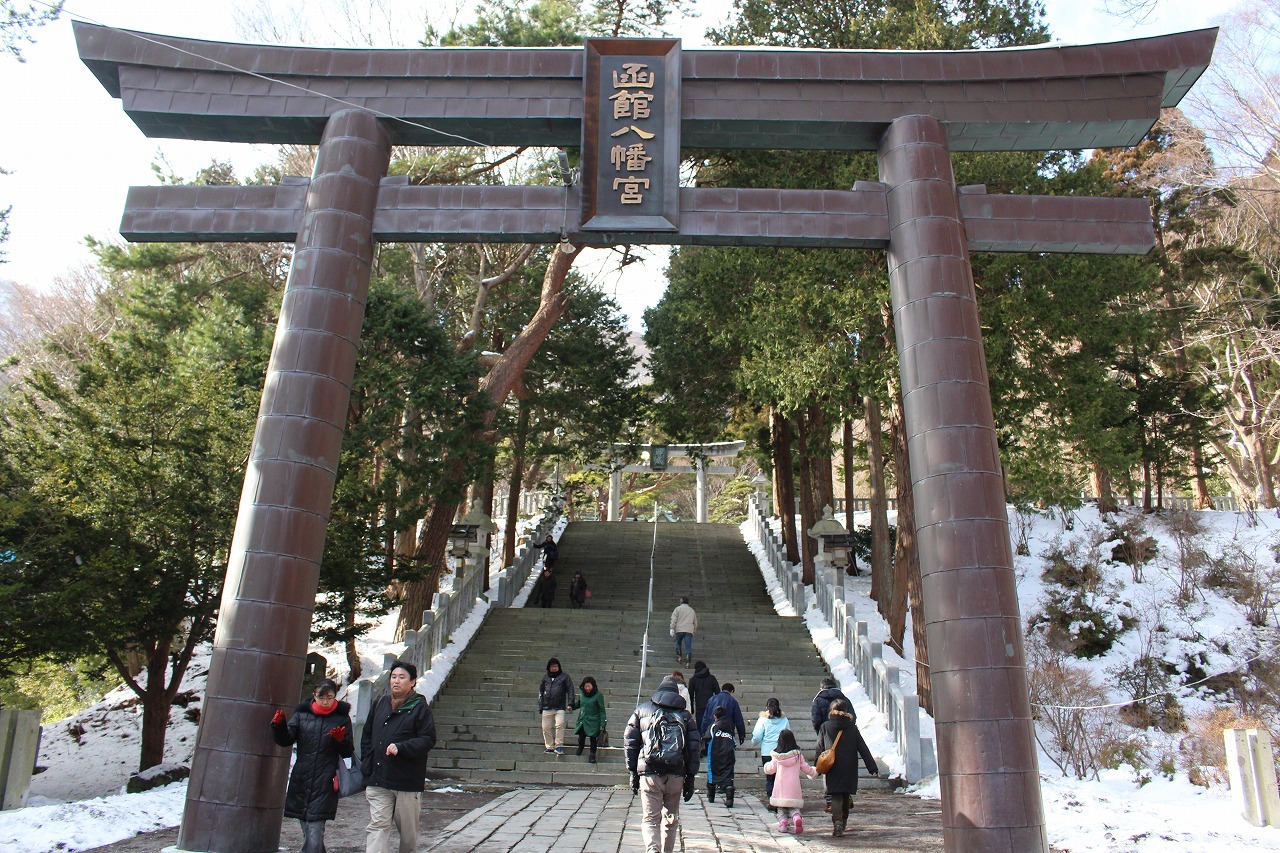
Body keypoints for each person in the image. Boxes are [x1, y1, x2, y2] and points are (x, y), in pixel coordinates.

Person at [361, 661, 437, 853]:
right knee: (377, 825)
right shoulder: (380, 703)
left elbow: (428, 739)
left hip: (406, 780)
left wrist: (402, 747)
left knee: (407, 833)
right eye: (393, 677)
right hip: (379, 777)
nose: (396, 681)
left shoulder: (419, 708)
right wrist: (368, 762)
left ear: (413, 682)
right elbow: (367, 735)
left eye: (402, 677)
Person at [270, 679, 353, 853]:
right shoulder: (302, 715)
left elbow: (347, 751)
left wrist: (340, 740)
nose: (325, 701)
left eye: (330, 697)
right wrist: (279, 726)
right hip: (302, 778)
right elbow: (286, 740)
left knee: (315, 831)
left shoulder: (342, 718)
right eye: (321, 697)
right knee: (308, 831)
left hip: (325, 781)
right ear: (314, 696)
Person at [623, 675, 702, 853]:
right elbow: (694, 748)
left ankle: (653, 850)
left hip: (650, 772)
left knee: (650, 819)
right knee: (671, 820)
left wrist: (633, 772)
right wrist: (690, 777)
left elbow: (630, 743)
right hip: (676, 774)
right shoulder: (685, 716)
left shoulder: (642, 710)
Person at [815, 698, 879, 837]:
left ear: (831, 711)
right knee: (845, 794)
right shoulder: (852, 727)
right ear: (845, 711)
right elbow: (863, 748)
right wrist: (872, 767)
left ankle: (837, 823)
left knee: (836, 794)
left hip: (832, 766)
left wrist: (817, 766)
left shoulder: (825, 726)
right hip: (849, 766)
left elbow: (819, 747)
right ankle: (843, 822)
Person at [765, 729, 818, 834]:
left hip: (780, 788)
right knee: (794, 807)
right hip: (794, 787)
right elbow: (806, 768)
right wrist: (813, 772)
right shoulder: (798, 756)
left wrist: (766, 767)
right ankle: (796, 817)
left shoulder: (777, 757)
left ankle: (783, 824)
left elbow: (770, 769)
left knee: (781, 809)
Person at [810, 675, 850, 812]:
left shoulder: (818, 700)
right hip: (844, 739)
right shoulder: (844, 699)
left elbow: (815, 720)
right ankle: (846, 795)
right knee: (844, 769)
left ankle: (830, 800)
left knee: (826, 767)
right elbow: (853, 718)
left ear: (821, 688)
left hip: (826, 738)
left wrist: (822, 733)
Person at [751, 697, 790, 807]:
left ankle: (772, 800)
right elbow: (788, 734)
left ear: (767, 707)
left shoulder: (763, 720)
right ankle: (781, 798)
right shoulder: (784, 719)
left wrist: (753, 742)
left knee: (770, 776)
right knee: (781, 776)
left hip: (767, 752)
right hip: (782, 751)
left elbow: (757, 735)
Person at [538, 657, 574, 754]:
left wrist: (571, 703)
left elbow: (570, 689)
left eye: (556, 666)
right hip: (547, 706)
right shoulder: (545, 678)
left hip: (560, 706)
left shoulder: (565, 677)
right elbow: (541, 691)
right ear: (548, 668)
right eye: (552, 666)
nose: (554, 668)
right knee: (545, 727)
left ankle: (559, 746)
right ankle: (549, 746)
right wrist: (540, 705)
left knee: (559, 725)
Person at [706, 705, 736, 807]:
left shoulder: (714, 727)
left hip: (715, 755)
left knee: (712, 775)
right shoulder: (730, 727)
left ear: (715, 717)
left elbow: (707, 738)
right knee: (728, 775)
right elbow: (733, 741)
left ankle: (711, 796)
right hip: (728, 755)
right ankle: (729, 798)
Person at [574, 675, 606, 763]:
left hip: (594, 720)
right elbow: (579, 704)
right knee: (581, 737)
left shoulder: (598, 695)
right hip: (583, 720)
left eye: (589, 686)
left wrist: (603, 723)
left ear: (593, 686)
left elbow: (602, 710)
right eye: (585, 686)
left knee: (593, 739)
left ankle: (592, 755)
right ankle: (580, 748)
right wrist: (571, 706)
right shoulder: (581, 694)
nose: (587, 688)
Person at [687, 661, 720, 735]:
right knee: (711, 724)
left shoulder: (693, 680)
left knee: (700, 725)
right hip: (711, 705)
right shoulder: (712, 678)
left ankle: (701, 739)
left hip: (699, 705)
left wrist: (691, 707)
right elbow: (718, 692)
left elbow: (691, 695)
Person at [669, 596, 697, 667]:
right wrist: (694, 630)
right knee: (688, 647)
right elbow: (695, 622)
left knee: (678, 643)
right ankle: (688, 663)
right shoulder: (691, 610)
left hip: (680, 630)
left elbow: (674, 619)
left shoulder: (677, 609)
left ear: (681, 601)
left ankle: (679, 657)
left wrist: (672, 628)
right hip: (689, 630)